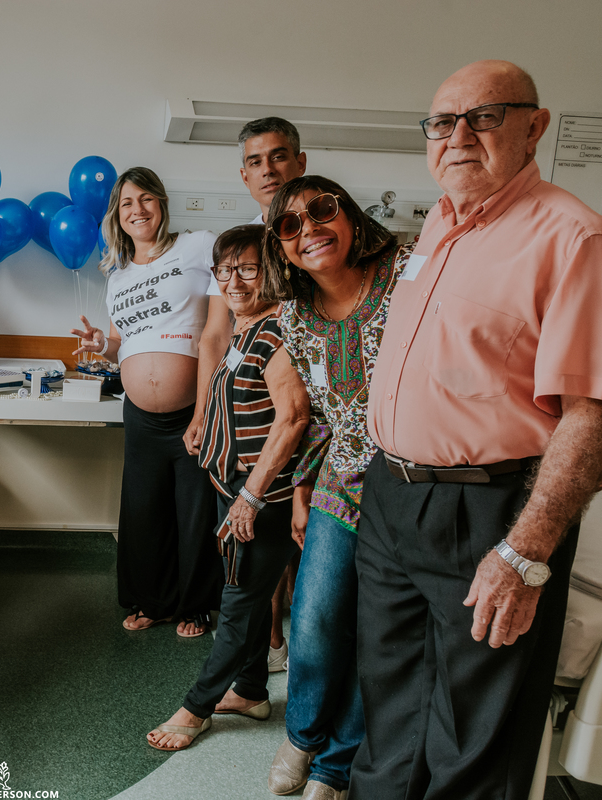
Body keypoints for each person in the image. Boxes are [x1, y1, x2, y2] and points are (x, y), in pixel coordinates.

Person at [354, 60, 602, 799]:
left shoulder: (571, 237)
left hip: (490, 510)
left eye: (485, 117)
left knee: (475, 732)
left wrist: (525, 554)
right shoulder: (436, 223)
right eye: (441, 122)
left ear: (534, 126)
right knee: (389, 699)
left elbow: (591, 413)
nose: (458, 136)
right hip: (392, 496)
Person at [262, 175, 410, 800]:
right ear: (282, 248)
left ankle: (334, 766)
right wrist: (300, 484)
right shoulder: (295, 319)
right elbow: (320, 416)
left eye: (322, 210)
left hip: (409, 482)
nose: (310, 228)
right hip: (341, 479)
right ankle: (301, 734)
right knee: (317, 615)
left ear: (350, 216)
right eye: (289, 225)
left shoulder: (404, 274)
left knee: (373, 631)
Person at [146, 224, 308, 752]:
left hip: (261, 495)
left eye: (247, 268)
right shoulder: (246, 328)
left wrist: (251, 496)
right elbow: (236, 400)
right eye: (224, 270)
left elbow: (292, 419)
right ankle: (252, 691)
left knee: (238, 602)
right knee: (251, 594)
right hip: (231, 483)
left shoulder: (277, 333)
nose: (233, 280)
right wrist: (205, 427)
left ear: (273, 271)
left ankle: (195, 710)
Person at [71, 166, 231, 638]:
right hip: (139, 415)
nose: (136, 210)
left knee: (194, 512)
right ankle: (154, 602)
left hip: (193, 410)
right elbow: (125, 340)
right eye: (126, 204)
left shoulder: (199, 246)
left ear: (161, 203)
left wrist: (204, 411)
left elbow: (217, 332)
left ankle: (196, 606)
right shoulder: (117, 274)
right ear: (116, 217)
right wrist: (103, 343)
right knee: (144, 511)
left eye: (145, 199)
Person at [236, 116, 309, 673]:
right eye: (257, 162)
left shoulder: (319, 230)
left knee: (299, 528)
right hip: (270, 400)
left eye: (279, 157)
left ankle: (300, 647)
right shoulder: (248, 242)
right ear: (244, 175)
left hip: (318, 409)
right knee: (269, 530)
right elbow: (227, 328)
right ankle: (270, 643)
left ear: (299, 163)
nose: (269, 169)